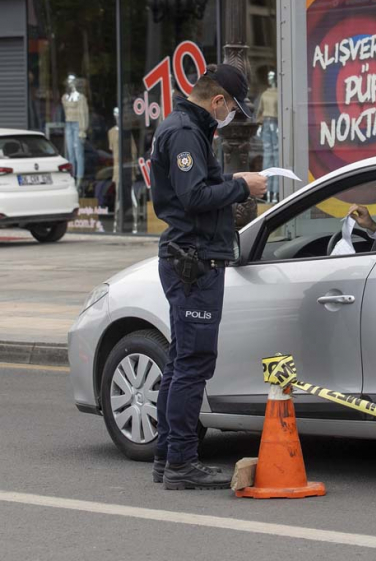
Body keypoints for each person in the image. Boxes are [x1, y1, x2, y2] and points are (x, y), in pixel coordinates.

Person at [149, 64, 267, 490]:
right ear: (217, 100)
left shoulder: (191, 129)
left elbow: (197, 186)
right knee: (192, 366)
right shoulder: (183, 131)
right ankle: (181, 462)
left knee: (181, 362)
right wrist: (242, 188)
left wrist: (233, 180)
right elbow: (194, 196)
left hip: (192, 258)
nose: (232, 114)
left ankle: (168, 458)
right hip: (193, 261)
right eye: (232, 106)